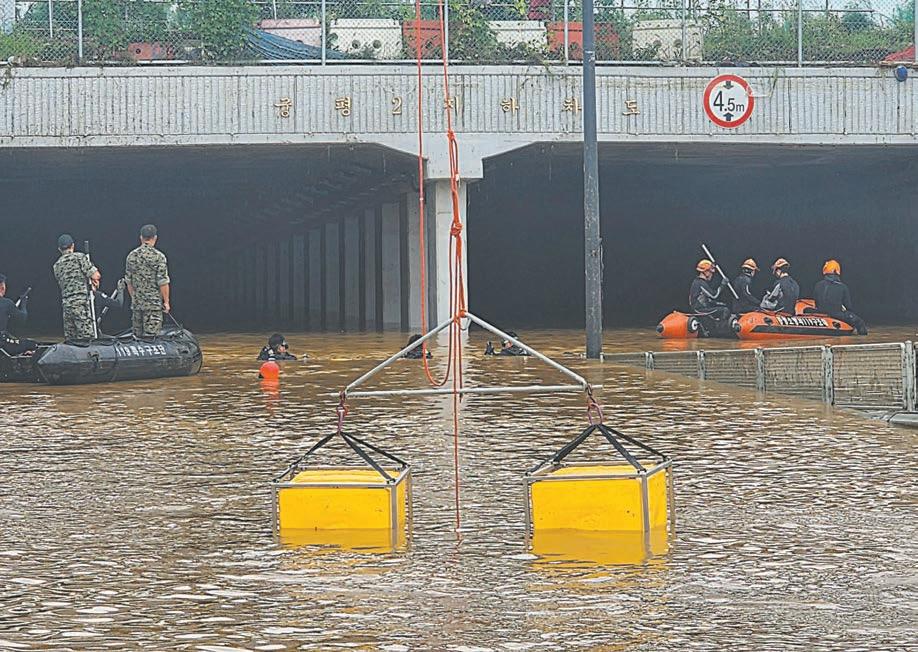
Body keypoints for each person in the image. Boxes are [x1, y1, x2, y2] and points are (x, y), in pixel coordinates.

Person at [125, 224, 170, 339]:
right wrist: (166, 302)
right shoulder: (159, 257)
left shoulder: (131, 256)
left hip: (137, 304)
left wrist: (134, 298)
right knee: (151, 339)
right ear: (155, 238)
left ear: (141, 237)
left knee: (137, 338)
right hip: (153, 305)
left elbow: (128, 281)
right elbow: (163, 282)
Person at [53, 234, 100, 341]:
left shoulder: (56, 265)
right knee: (86, 338)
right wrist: (93, 280)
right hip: (80, 303)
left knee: (71, 340)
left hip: (66, 304)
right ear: (72, 245)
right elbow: (96, 275)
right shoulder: (79, 257)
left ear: (59, 249)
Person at [814, 260, 868, 335]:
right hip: (836, 314)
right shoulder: (842, 287)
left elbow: (816, 302)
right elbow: (848, 306)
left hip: (820, 312)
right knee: (860, 322)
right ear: (837, 271)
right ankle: (862, 337)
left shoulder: (817, 285)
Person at [0, 274, 37, 356]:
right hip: (2, 344)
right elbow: (22, 319)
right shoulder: (7, 303)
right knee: (32, 344)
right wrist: (23, 304)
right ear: (2, 287)